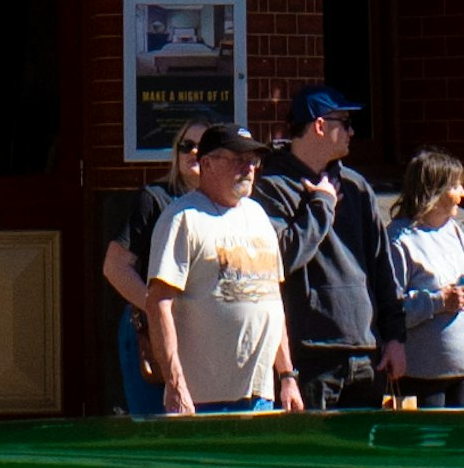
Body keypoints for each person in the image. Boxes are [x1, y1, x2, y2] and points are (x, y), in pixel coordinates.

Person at [131, 116, 302, 422]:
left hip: (260, 396)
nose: (249, 168)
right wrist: (175, 382)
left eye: (253, 160)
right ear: (207, 164)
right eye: (238, 159)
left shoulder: (259, 217)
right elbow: (158, 303)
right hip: (204, 399)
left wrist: (287, 375)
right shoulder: (182, 219)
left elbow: (272, 302)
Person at [260, 87, 399, 410]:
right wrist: (321, 205)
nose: (352, 131)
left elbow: (382, 268)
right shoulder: (272, 187)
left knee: (363, 458)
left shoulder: (356, 186)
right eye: (345, 122)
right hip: (311, 356)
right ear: (319, 125)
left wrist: (394, 337)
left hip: (366, 352)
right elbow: (281, 258)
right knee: (316, 456)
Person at [100, 118, 235, 417]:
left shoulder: (229, 207)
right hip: (151, 331)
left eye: (202, 147)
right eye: (186, 146)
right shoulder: (155, 199)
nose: (192, 152)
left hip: (205, 334)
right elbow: (115, 267)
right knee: (158, 425)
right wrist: (156, 308)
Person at [385, 149, 464, 408]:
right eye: (455, 186)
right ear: (432, 191)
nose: (463, 194)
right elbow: (390, 310)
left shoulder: (454, 230)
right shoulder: (400, 240)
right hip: (424, 375)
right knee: (430, 448)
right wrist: (438, 301)